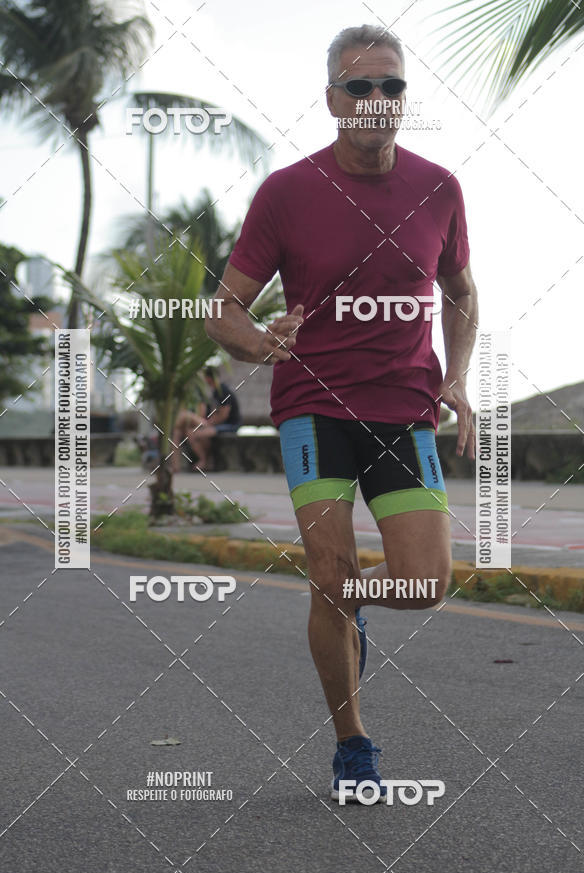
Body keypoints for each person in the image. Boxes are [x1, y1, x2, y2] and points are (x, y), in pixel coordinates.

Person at [206, 25, 478, 802]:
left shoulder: (439, 188)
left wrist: (457, 376)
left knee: (424, 584)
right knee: (330, 570)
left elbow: (462, 291)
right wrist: (260, 344)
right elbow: (221, 309)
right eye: (359, 86)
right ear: (332, 100)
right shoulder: (288, 192)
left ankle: (347, 602)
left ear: (404, 99)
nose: (376, 100)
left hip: (405, 412)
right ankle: (352, 743)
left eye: (391, 86)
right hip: (313, 408)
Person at [172, 368, 241, 472]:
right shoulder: (215, 392)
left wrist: (208, 424)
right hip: (217, 424)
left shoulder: (222, 390)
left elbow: (223, 415)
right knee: (191, 432)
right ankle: (204, 460)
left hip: (230, 424)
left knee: (196, 434)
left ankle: (205, 460)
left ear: (209, 378)